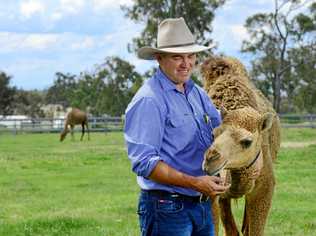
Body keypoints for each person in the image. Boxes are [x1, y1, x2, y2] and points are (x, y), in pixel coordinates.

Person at [124, 17, 229, 236]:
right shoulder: (150, 100)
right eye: (177, 57)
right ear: (159, 58)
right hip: (167, 208)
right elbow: (145, 164)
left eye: (191, 56)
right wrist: (195, 183)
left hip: (201, 205)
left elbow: (221, 131)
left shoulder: (197, 93)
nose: (186, 63)